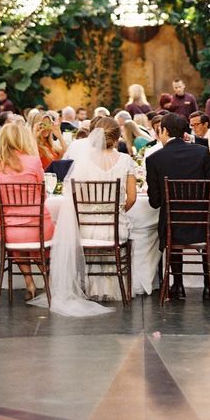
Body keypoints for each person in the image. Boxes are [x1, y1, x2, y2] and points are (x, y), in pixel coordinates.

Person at [146, 112, 210, 300]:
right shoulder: (202, 152)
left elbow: (154, 202)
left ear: (164, 130)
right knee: (209, 219)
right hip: (204, 225)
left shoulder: (154, 159)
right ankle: (208, 287)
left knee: (172, 223)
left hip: (173, 227)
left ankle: (177, 285)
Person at [0, 119, 54, 299]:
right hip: (39, 228)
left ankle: (29, 282)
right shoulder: (33, 161)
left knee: (16, 234)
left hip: (12, 231)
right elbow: (43, 195)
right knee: (36, 238)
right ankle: (48, 278)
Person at [69, 117, 138, 300]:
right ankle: (117, 289)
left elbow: (77, 197)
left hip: (88, 229)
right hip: (117, 228)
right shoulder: (125, 160)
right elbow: (132, 198)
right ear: (116, 138)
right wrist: (117, 212)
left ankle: (93, 289)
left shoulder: (83, 161)